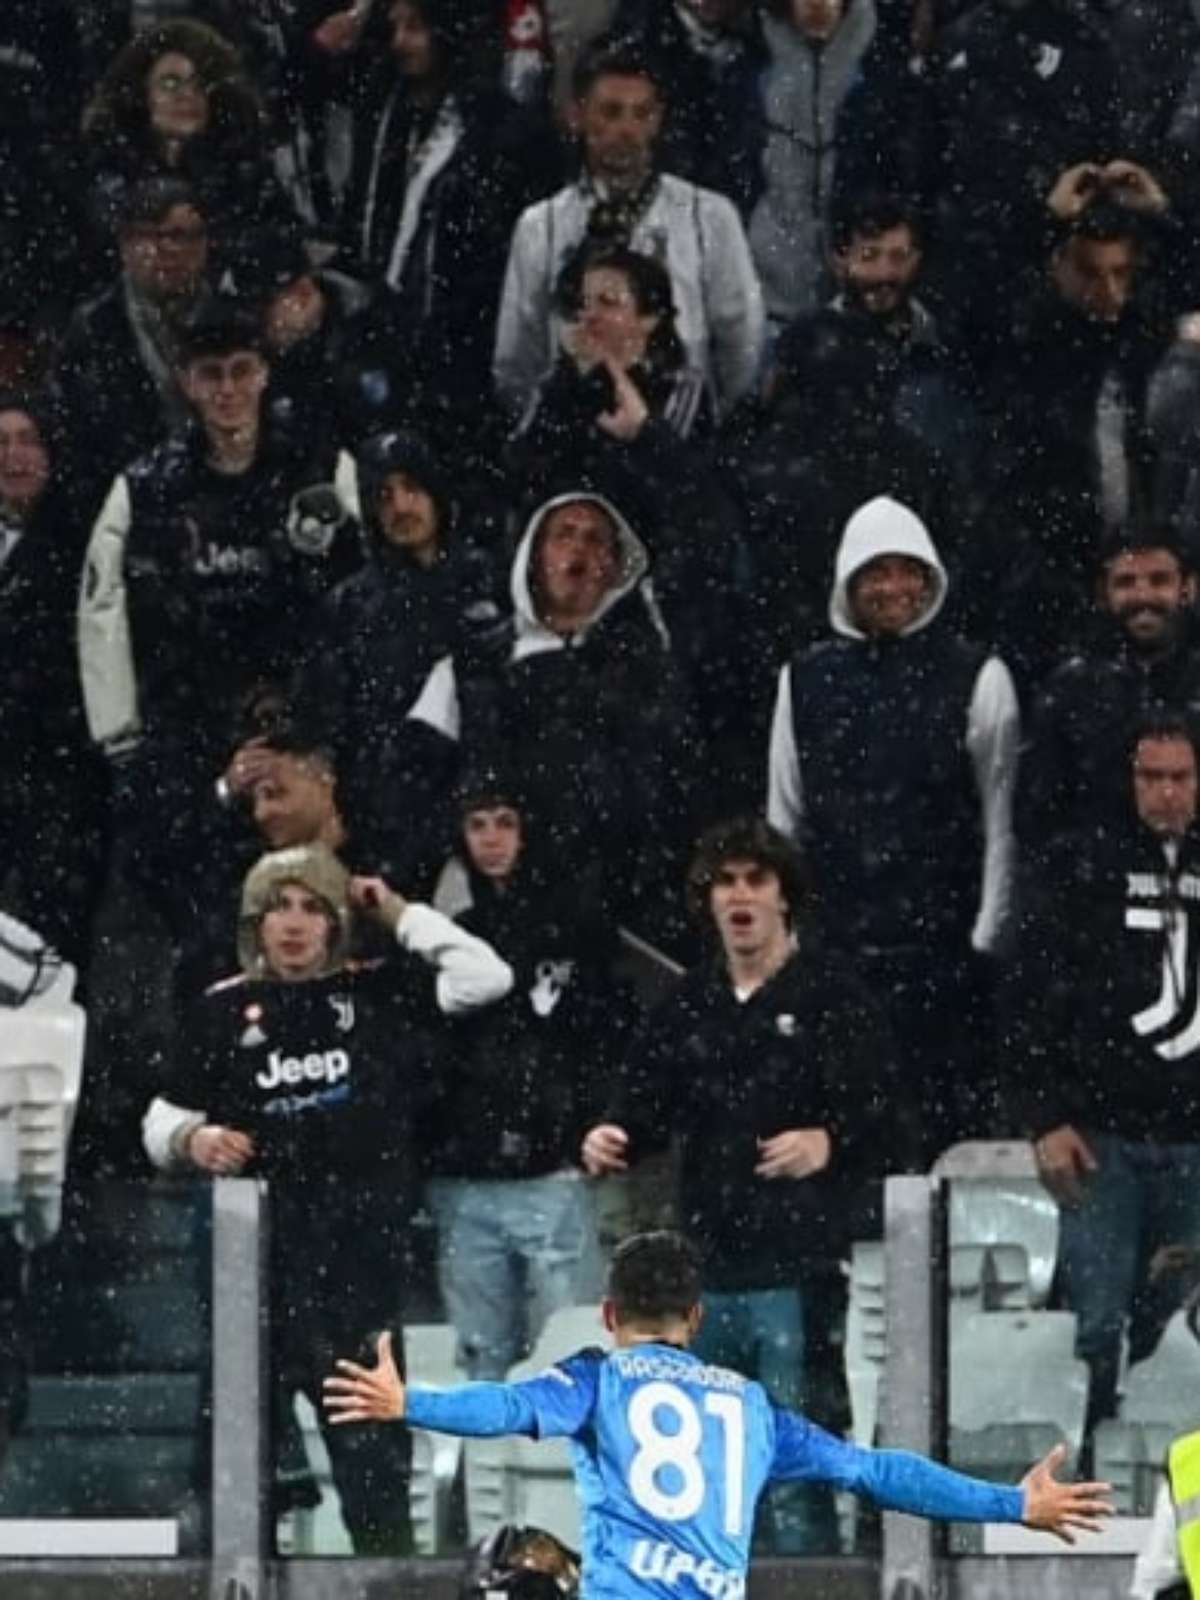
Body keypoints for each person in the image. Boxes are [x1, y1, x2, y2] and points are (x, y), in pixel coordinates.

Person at [324, 1228, 1112, 1592]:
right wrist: (1010, 1501)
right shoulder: (754, 1408)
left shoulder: (598, 1377)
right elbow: (877, 1472)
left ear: (608, 1314)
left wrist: (408, 1401)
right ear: (696, 1319)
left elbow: (505, 1406)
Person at [143, 842, 514, 1553]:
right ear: (256, 920)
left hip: (358, 1286)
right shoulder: (221, 1009)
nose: (294, 923)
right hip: (255, 1287)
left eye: (313, 907)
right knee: (241, 1495)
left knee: (376, 1491)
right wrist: (193, 1137)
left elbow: (485, 976)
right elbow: (157, 1118)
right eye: (278, 907)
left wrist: (395, 909)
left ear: (337, 922)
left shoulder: (377, 995)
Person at [581, 818, 891, 1553]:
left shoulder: (833, 996)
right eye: (727, 882)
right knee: (715, 1468)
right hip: (709, 1271)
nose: (741, 896)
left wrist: (829, 1141)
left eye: (756, 880)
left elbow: (889, 1119)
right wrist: (610, 1133)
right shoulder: (691, 1002)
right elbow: (643, 1107)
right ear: (709, 901)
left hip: (802, 1268)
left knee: (794, 1460)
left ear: (786, 897)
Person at [768, 495, 1020, 1164]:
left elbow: (1001, 817)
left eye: (906, 571)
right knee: (845, 1128)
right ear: (848, 583)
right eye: (875, 574)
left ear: (930, 578)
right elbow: (783, 818)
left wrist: (985, 934)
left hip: (944, 951)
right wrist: (787, 939)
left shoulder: (978, 673)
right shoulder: (804, 678)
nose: (891, 588)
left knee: (943, 1132)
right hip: (838, 948)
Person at [1011, 716, 1200, 1446]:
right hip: (1102, 1136)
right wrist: (1045, 1116)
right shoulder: (1079, 869)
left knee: (1183, 1323)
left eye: (1180, 777)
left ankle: (1170, 1478)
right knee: (1097, 1322)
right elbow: (1030, 998)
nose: (1165, 793)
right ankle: (1089, 1464)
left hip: (1192, 1136)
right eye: (1151, 778)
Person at [423, 775, 629, 1386]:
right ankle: (487, 1475)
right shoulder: (451, 936)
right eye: (477, 825)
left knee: (575, 1344)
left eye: (504, 823)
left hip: (556, 1168)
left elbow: (605, 1035)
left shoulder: (579, 929)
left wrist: (593, 1124)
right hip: (468, 1173)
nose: (491, 840)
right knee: (481, 1354)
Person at [493, 38, 764, 419]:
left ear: (659, 120)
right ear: (578, 115)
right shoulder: (541, 226)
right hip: (572, 445)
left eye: (642, 114)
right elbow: (516, 362)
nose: (627, 129)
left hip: (678, 448)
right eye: (611, 112)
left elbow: (743, 346)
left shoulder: (710, 217)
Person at [1020, 528, 1200, 862]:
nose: (1143, 595)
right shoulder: (1068, 692)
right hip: (1098, 897)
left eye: (1159, 580)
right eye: (1126, 582)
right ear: (1103, 593)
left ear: (1188, 588)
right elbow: (1040, 820)